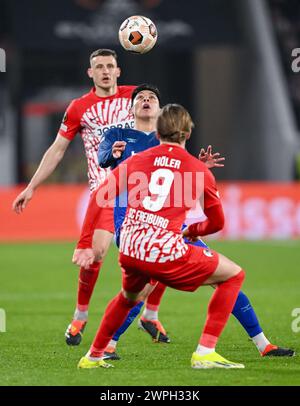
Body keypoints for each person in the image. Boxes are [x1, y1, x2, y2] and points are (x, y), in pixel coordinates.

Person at [94, 84, 295, 360]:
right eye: (140, 97)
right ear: (131, 108)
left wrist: (195, 169)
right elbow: (104, 164)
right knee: (221, 277)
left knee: (144, 290)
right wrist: (113, 155)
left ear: (160, 115)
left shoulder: (159, 143)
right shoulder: (119, 136)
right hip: (136, 224)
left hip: (160, 229)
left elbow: (173, 180)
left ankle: (262, 344)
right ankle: (136, 335)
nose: (146, 100)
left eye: (152, 97)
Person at [73, 103, 247, 369]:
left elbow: (100, 196)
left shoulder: (136, 160)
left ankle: (93, 356)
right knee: (234, 275)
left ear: (157, 133)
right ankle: (205, 353)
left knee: (127, 298)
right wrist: (191, 231)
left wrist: (85, 243)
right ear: (188, 134)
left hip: (130, 248)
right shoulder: (199, 170)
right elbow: (217, 222)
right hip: (164, 250)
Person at [12, 48, 136, 347]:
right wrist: (32, 186)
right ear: (90, 73)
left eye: (110, 66)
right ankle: (81, 315)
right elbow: (57, 149)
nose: (105, 71)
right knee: (96, 254)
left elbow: (163, 129)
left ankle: (146, 317)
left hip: (140, 192)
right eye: (99, 67)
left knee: (144, 264)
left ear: (118, 71)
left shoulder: (137, 97)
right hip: (105, 192)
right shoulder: (80, 108)